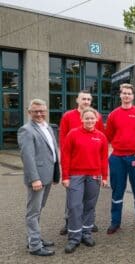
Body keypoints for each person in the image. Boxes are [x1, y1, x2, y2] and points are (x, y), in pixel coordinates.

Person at [61, 107, 108, 253]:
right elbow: (66, 156)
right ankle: (74, 237)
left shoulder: (101, 136)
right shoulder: (73, 134)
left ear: (97, 119)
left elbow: (103, 158)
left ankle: (86, 234)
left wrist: (104, 176)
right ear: (81, 119)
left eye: (92, 118)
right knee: (74, 206)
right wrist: (65, 177)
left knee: (89, 205)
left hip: (94, 176)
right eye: (86, 118)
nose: (89, 120)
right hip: (76, 175)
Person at [105, 83, 135, 234]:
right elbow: (109, 135)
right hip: (118, 158)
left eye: (129, 94)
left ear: (133, 96)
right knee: (117, 191)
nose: (126, 96)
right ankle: (115, 222)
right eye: (124, 93)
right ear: (120, 95)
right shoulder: (113, 115)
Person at [59, 90, 104, 235]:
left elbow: (101, 140)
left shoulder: (96, 116)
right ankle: (69, 222)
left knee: (90, 198)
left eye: (88, 99)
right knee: (73, 199)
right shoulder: (68, 116)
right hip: (74, 166)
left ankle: (88, 223)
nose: (86, 101)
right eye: (83, 99)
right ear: (77, 100)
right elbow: (62, 141)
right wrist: (65, 171)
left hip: (91, 168)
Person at [18, 99, 59, 256]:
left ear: (46, 110)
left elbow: (53, 152)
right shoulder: (26, 130)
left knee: (39, 209)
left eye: (42, 110)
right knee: (33, 212)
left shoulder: (47, 127)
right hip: (37, 179)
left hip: (47, 176)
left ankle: (34, 238)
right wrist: (34, 179)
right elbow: (27, 157)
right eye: (36, 111)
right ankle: (35, 246)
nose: (39, 113)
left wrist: (56, 175)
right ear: (29, 112)